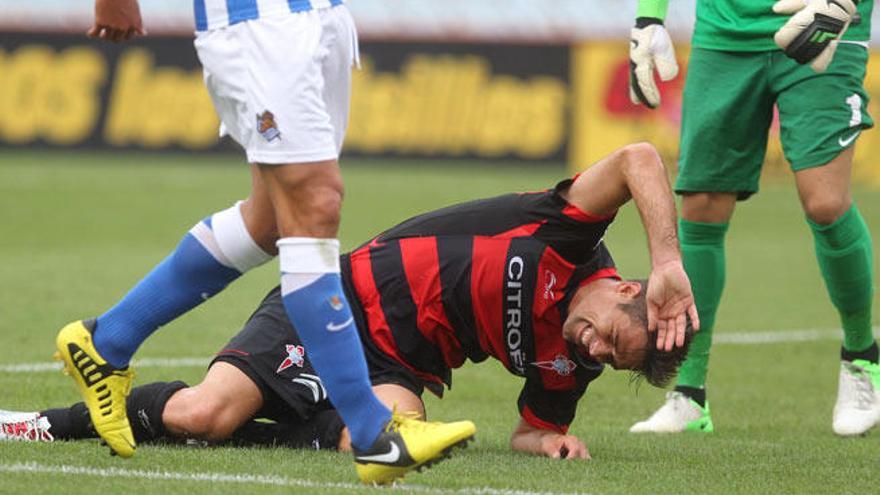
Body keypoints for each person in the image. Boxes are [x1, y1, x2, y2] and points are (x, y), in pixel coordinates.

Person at [10, 142, 695, 459]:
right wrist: (670, 256)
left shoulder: (571, 366)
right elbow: (640, 157)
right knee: (202, 414)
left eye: (613, 358)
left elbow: (528, 428)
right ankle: (41, 421)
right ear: (628, 288)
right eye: (611, 334)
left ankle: (291, 424)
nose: (596, 350)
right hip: (340, 299)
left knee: (392, 445)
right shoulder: (567, 231)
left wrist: (550, 442)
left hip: (402, 366)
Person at [53, 0, 474, 484]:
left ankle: (106, 340)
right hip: (261, 25)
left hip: (322, 18)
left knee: (270, 221)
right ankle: (374, 433)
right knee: (314, 204)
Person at [628, 0, 879, 435]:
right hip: (724, 32)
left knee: (824, 202)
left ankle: (862, 361)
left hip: (824, 16)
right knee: (702, 204)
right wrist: (649, 18)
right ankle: (689, 396)